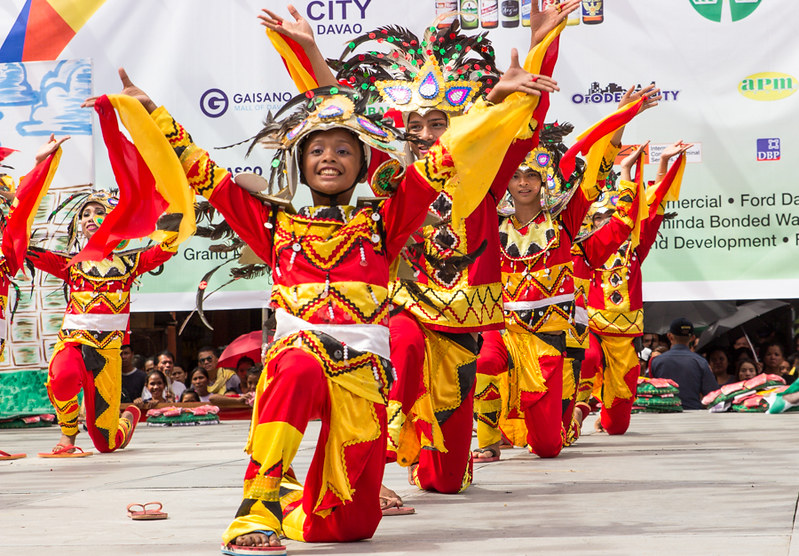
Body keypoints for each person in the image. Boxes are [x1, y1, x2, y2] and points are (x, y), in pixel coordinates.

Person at [260, 2, 572, 502]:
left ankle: (444, 459)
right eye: (418, 124)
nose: (426, 135)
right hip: (403, 305)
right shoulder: (392, 177)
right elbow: (341, 111)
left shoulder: (488, 176)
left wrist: (541, 47)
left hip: (464, 322)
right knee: (397, 352)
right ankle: (364, 476)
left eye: (438, 123)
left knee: (446, 482)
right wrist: (311, 49)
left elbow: (524, 116)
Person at [28, 189, 180, 455]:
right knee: (62, 377)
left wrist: (174, 220)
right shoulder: (71, 264)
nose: (91, 217)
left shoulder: (130, 263)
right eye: (85, 214)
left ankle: (128, 417)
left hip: (108, 353)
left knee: (106, 443)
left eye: (99, 213)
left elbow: (163, 251)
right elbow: (28, 252)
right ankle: (68, 438)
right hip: (73, 343)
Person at [581, 140, 692, 433]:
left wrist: (662, 164)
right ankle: (574, 409)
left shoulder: (635, 250)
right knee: (587, 358)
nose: (606, 223)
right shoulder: (584, 251)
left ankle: (605, 411)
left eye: (611, 218)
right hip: (590, 329)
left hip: (626, 334)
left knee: (617, 425)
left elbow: (652, 206)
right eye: (600, 218)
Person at [650, 318, 719, 410]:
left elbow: (648, 393)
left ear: (670, 336)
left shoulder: (656, 362)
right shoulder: (700, 362)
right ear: (692, 338)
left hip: (664, 415)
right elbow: (713, 396)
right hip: (694, 416)